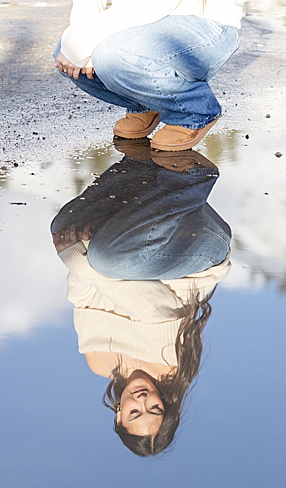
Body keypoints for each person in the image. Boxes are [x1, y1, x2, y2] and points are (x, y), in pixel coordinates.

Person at [50, 145, 233, 456]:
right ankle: (194, 178)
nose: (145, 401)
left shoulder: (99, 363)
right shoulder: (171, 369)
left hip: (138, 244)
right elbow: (146, 301)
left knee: (63, 229)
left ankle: (140, 160)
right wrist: (78, 260)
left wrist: (81, 259)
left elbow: (81, 296)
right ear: (166, 406)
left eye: (135, 412)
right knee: (101, 257)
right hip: (197, 248)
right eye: (155, 409)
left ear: (119, 413)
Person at [53, 0, 243, 151]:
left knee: (110, 55)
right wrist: (79, 42)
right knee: (67, 53)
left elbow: (151, 1)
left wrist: (84, 42)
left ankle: (194, 111)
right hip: (146, 25)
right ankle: (147, 104)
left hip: (206, 24)